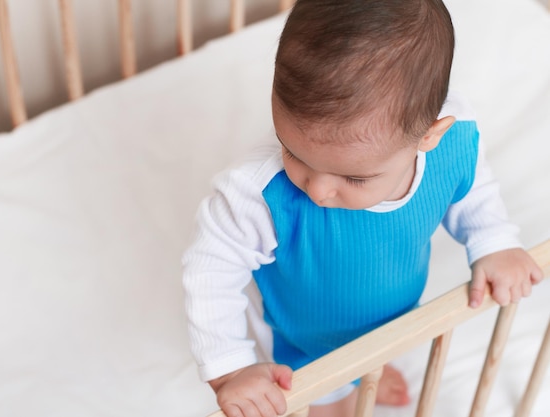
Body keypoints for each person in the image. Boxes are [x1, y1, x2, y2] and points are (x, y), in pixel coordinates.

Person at [182, 0, 544, 416]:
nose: (317, 190)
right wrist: (231, 370)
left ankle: (364, 371)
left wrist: (493, 240)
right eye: (292, 152)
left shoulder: (454, 141)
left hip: (388, 315)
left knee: (372, 353)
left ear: (429, 136)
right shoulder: (257, 194)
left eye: (354, 178)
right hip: (300, 341)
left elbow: (471, 190)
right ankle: (344, 389)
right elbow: (210, 269)